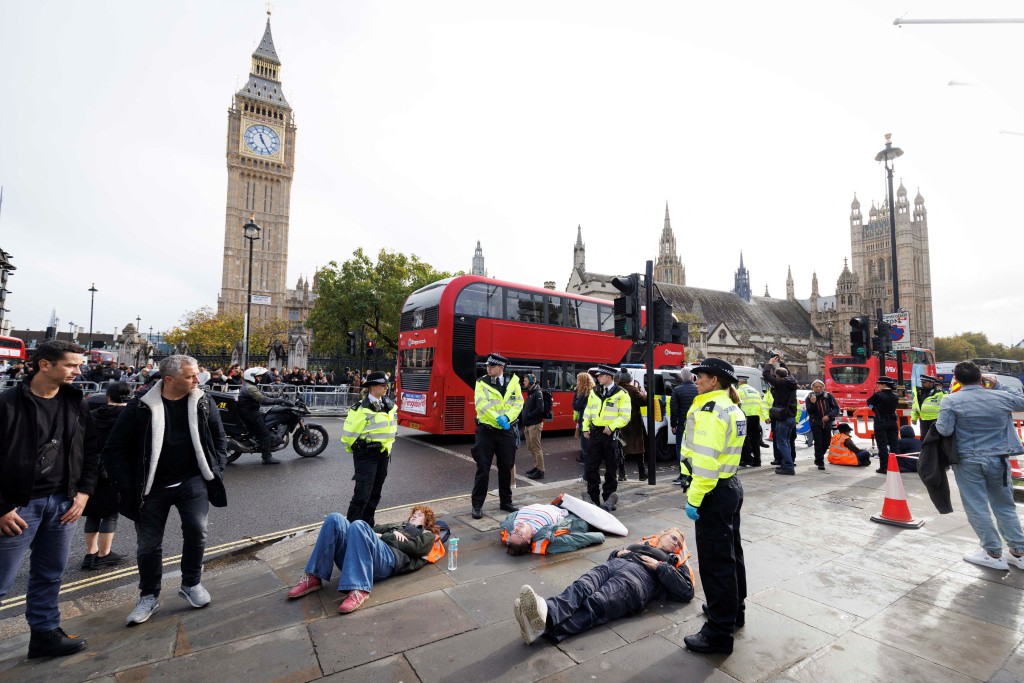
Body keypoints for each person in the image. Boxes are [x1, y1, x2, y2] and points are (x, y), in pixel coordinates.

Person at [102, 355, 228, 626]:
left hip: (192, 480)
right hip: (151, 487)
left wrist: (217, 466)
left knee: (197, 530)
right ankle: (149, 595)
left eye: (196, 375)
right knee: (149, 544)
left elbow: (219, 436)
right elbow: (113, 450)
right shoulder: (140, 407)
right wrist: (127, 487)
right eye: (191, 376)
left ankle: (191, 584)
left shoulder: (203, 401)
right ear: (169, 379)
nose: (197, 380)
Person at [0, 340, 99, 659]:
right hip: (16, 507)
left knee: (50, 573)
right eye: (71, 365)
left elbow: (92, 449)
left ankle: (44, 634)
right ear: (45, 364)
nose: (79, 370)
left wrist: (83, 493)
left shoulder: (76, 402)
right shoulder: (8, 403)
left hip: (63, 504)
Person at [514, 527, 693, 645]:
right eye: (674, 538)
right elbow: (614, 556)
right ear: (663, 533)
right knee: (581, 587)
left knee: (596, 603)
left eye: (679, 544)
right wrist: (617, 552)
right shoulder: (643, 543)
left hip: (637, 579)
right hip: (613, 565)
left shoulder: (675, 560)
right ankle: (546, 612)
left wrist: (660, 567)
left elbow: (687, 591)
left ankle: (542, 624)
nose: (676, 544)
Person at [681, 358, 747, 655]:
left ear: (715, 381)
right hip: (730, 484)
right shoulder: (730, 406)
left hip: (713, 490)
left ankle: (719, 633)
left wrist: (694, 499)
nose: (696, 382)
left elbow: (706, 462)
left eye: (701, 377)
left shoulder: (709, 410)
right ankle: (734, 612)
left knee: (715, 562)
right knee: (732, 555)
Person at [934, 361, 1024, 571]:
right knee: (1004, 506)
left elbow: (944, 431)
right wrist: (998, 385)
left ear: (956, 379)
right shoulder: (1000, 396)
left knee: (977, 506)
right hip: (999, 459)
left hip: (968, 460)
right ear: (981, 378)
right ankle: (1019, 552)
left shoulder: (951, 400)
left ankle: (993, 553)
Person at [286, 506, 441, 614]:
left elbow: (416, 549)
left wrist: (387, 537)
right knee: (334, 518)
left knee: (358, 525)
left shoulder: (426, 534)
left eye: (420, 515)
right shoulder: (397, 526)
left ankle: (360, 589)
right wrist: (389, 534)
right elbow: (370, 530)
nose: (415, 515)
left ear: (426, 522)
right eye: (414, 513)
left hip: (388, 561)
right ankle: (314, 575)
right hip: (361, 557)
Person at [81, 382, 131, 570]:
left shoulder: (93, 415)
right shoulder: (129, 417)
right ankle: (104, 555)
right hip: (114, 470)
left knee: (93, 513)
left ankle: (90, 554)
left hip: (91, 469)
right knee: (110, 514)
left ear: (108, 396)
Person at [470, 353, 523, 519]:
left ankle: (506, 502)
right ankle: (477, 505)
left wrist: (507, 418)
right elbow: (481, 404)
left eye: (492, 366)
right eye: (488, 366)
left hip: (506, 431)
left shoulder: (513, 382)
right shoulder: (481, 382)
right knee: (483, 468)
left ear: (501, 367)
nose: (488, 368)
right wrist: (498, 418)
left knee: (506, 467)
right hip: (486, 431)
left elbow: (518, 402)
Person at [341, 371, 397, 526]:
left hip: (383, 454)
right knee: (362, 494)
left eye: (387, 385)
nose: (386, 387)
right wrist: (359, 449)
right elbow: (349, 435)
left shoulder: (388, 405)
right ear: (373, 387)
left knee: (375, 493)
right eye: (382, 385)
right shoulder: (360, 408)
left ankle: (367, 524)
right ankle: (352, 528)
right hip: (366, 455)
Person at [582, 365, 631, 510]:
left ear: (609, 377)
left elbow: (625, 416)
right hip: (595, 433)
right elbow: (588, 411)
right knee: (591, 466)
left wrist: (612, 427)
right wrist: (585, 427)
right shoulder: (595, 391)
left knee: (611, 468)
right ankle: (593, 497)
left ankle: (609, 499)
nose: (597, 378)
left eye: (600, 375)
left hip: (610, 435)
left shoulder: (622, 394)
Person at [499, 498, 606, 556]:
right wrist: (598, 537)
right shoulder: (547, 540)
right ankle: (605, 507)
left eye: (513, 532)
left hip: (557, 504)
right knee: (595, 514)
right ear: (528, 540)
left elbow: (508, 522)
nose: (516, 529)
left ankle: (589, 502)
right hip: (575, 516)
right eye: (518, 533)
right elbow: (576, 540)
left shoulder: (512, 524)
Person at [238, 366, 290, 465]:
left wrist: (274, 395)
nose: (260, 378)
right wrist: (279, 401)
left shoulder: (250, 385)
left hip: (248, 411)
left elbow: (261, 394)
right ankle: (267, 458)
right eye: (258, 376)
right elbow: (263, 400)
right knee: (265, 434)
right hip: (250, 413)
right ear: (251, 376)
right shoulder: (250, 387)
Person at [762, 356, 798, 475]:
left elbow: (766, 375)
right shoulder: (792, 381)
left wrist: (770, 363)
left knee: (781, 442)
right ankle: (787, 463)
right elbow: (788, 373)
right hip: (791, 416)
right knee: (786, 441)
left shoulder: (780, 383)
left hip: (782, 416)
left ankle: (788, 466)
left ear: (777, 376)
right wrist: (781, 362)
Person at [616, 371, 648, 481]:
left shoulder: (615, 389)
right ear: (629, 379)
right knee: (638, 448)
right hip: (633, 424)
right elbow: (644, 402)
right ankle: (642, 473)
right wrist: (644, 394)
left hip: (620, 423)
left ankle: (621, 474)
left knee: (621, 449)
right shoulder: (633, 390)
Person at [804, 379, 840, 470]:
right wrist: (813, 403)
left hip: (827, 423)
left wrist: (829, 416)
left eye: (821, 387)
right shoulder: (809, 397)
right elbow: (809, 411)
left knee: (827, 442)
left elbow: (836, 408)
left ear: (824, 387)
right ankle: (820, 461)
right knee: (818, 442)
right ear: (813, 388)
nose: (819, 388)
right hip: (815, 423)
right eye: (816, 387)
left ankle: (818, 457)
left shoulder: (828, 396)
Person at [867, 377, 900, 474]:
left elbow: (869, 403)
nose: (878, 386)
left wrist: (874, 408)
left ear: (884, 385)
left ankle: (884, 467)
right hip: (892, 422)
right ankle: (896, 465)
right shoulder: (896, 396)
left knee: (882, 445)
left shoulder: (878, 395)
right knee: (894, 445)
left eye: (879, 384)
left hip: (880, 421)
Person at [670, 371, 698, 485]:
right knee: (695, 449)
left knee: (681, 450)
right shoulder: (698, 389)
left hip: (683, 424)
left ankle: (683, 475)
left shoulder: (677, 390)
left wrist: (673, 425)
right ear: (691, 377)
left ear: (682, 377)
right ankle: (693, 474)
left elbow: (673, 409)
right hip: (697, 423)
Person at [520, 373, 547, 480]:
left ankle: (540, 470)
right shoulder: (531, 392)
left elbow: (540, 409)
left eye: (525, 381)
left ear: (531, 382)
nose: (524, 382)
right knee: (531, 447)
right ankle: (536, 467)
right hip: (528, 424)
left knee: (536, 448)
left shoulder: (537, 392)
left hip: (534, 425)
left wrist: (529, 416)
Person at [736, 375, 763, 468]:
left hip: (745, 417)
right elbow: (760, 403)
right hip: (756, 416)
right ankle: (757, 460)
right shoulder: (755, 391)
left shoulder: (739, 390)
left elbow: (735, 403)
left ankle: (747, 459)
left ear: (740, 382)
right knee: (755, 439)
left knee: (744, 439)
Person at [572, 372, 595, 466]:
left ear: (582, 381)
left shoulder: (584, 392)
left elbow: (576, 406)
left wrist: (575, 393)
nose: (577, 382)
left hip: (585, 421)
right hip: (592, 421)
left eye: (578, 380)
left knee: (585, 444)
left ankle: (587, 464)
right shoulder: (592, 390)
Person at [912, 374, 944, 439]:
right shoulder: (919, 393)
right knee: (924, 438)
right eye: (921, 382)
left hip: (936, 420)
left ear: (931, 383)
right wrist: (914, 418)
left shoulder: (940, 393)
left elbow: (946, 407)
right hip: (923, 420)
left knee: (935, 439)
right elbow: (915, 406)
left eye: (924, 382)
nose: (922, 384)